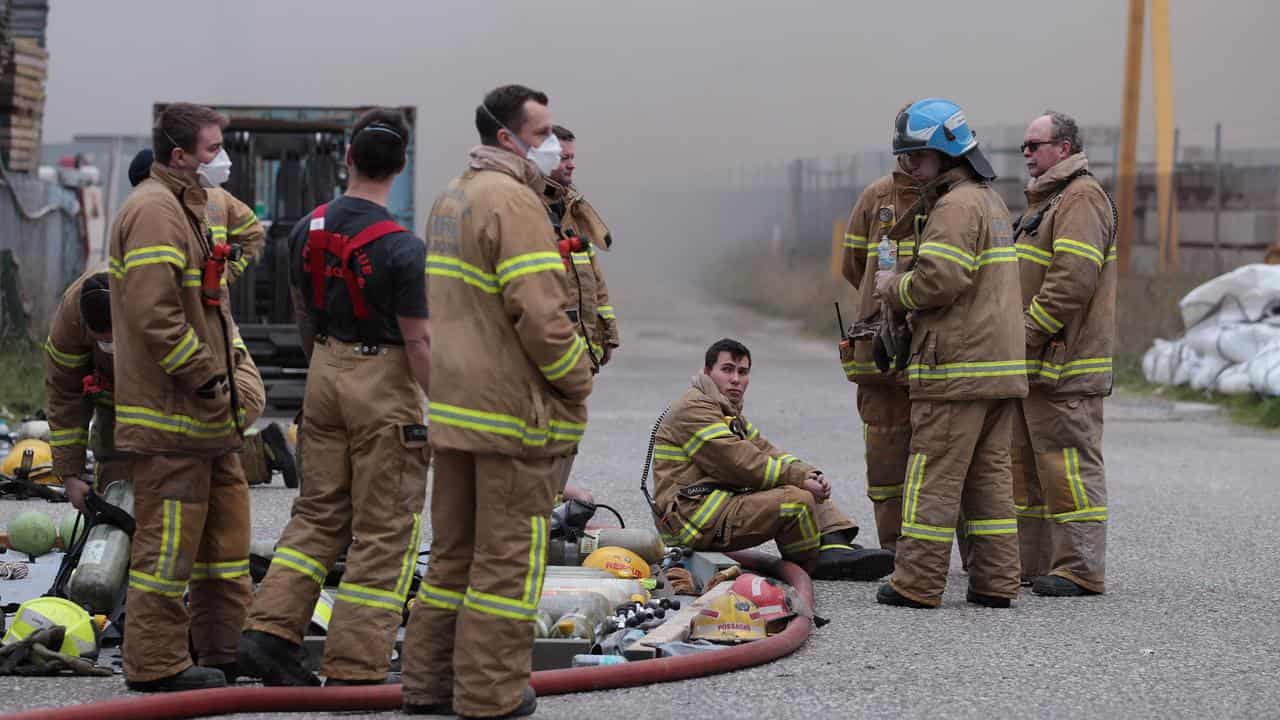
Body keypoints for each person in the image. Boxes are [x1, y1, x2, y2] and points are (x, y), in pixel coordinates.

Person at [400, 83, 592, 719]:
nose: (552, 144)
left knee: (453, 555)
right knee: (508, 565)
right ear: (507, 138)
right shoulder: (513, 201)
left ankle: (428, 686)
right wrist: (577, 376)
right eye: (540, 134)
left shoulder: (453, 196)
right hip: (510, 417)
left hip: (456, 412)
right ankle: (489, 695)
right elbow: (540, 313)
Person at [237, 108, 431, 686]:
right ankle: (357, 663)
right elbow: (419, 339)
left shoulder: (305, 229)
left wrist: (323, 359)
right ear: (400, 167)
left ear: (347, 158)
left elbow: (301, 312)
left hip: (323, 368)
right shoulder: (402, 248)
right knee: (384, 526)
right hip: (384, 382)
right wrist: (442, 405)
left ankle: (266, 634)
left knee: (317, 514)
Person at [108, 102, 252, 690]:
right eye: (213, 149)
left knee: (223, 547)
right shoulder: (154, 212)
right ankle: (156, 666)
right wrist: (207, 377)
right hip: (174, 415)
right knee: (166, 552)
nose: (222, 159)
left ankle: (220, 648)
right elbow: (154, 314)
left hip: (206, 420)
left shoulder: (193, 207)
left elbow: (201, 293)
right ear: (179, 155)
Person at [871, 98, 1026, 609]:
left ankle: (915, 583)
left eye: (917, 156)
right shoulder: (990, 201)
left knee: (930, 478)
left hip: (956, 368)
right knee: (989, 485)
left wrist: (894, 287)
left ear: (947, 152)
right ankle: (996, 583)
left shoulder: (955, 206)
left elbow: (941, 279)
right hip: (998, 369)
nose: (907, 167)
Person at [651, 338, 895, 580]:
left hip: (714, 506)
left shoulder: (724, 410)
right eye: (727, 370)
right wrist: (798, 479)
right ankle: (812, 563)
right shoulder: (694, 409)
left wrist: (808, 472)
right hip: (692, 518)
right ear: (707, 372)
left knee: (807, 483)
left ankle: (834, 546)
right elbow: (739, 463)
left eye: (742, 372)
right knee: (795, 501)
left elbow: (766, 451)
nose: (736, 379)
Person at [127, 148, 292, 487]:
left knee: (243, 397)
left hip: (210, 318)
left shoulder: (211, 197)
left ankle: (233, 454)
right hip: (173, 324)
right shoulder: (151, 218)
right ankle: (244, 455)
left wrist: (226, 273)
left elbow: (252, 232)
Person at [45, 268, 267, 512]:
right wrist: (69, 475)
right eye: (103, 341)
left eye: (115, 339)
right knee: (118, 493)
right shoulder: (70, 322)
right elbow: (65, 395)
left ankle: (258, 455)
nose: (110, 346)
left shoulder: (176, 302)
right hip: (119, 393)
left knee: (197, 451)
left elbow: (211, 366)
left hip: (205, 372)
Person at [1012, 110, 1115, 597]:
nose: (1027, 154)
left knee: (1068, 467)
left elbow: (1072, 278)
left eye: (1036, 145)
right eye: (1025, 147)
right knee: (1031, 472)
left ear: (1066, 148)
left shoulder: (1081, 197)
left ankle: (1080, 568)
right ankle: (1035, 563)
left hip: (1066, 366)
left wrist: (1027, 332)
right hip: (1037, 367)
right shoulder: (1046, 203)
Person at [839, 113, 925, 551]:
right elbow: (854, 264)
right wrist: (882, 309)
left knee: (938, 456)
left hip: (933, 348)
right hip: (881, 353)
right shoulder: (877, 197)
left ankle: (937, 550)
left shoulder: (954, 200)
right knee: (886, 455)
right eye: (906, 150)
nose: (912, 159)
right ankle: (894, 548)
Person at [540, 124, 618, 506]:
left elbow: (591, 276)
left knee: (570, 431)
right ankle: (539, 504)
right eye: (563, 158)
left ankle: (553, 499)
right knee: (544, 431)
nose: (571, 165)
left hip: (578, 348)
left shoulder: (570, 208)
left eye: (573, 157)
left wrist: (606, 331)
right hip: (548, 346)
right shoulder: (526, 208)